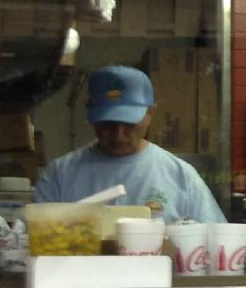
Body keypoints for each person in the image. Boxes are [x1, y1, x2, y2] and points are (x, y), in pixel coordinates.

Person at [33, 65, 225, 222]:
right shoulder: (60, 175)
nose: (118, 134)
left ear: (150, 113)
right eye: (107, 124)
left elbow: (215, 244)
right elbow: (36, 242)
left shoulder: (181, 177)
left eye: (129, 123)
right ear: (90, 114)